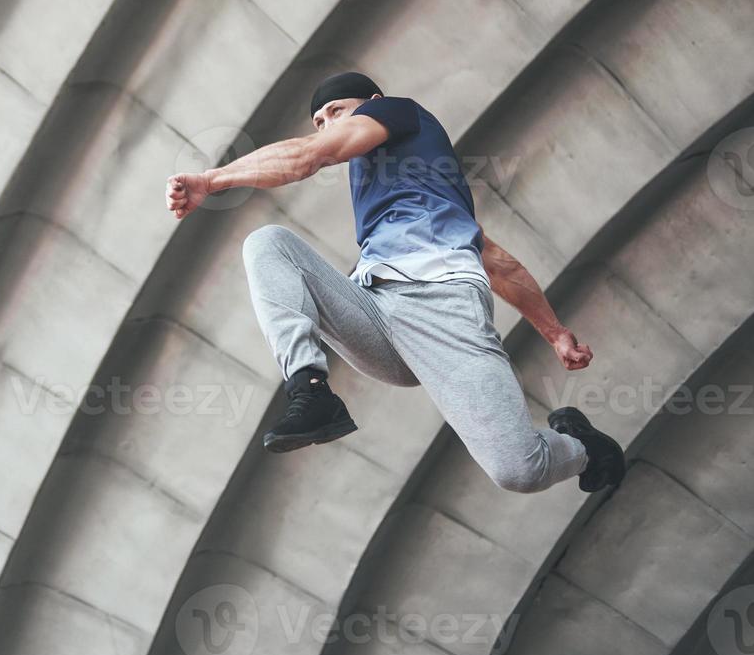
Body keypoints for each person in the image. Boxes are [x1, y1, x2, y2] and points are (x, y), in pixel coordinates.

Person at [163, 71, 624, 493]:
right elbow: (498, 262)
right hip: (377, 315)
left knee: (518, 471)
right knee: (268, 244)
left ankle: (583, 448)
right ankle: (310, 389)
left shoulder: (394, 110)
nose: (327, 126)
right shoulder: (419, 190)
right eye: (319, 121)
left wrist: (213, 179)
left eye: (335, 112)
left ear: (370, 103)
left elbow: (309, 157)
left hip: (444, 315)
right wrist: (556, 332)